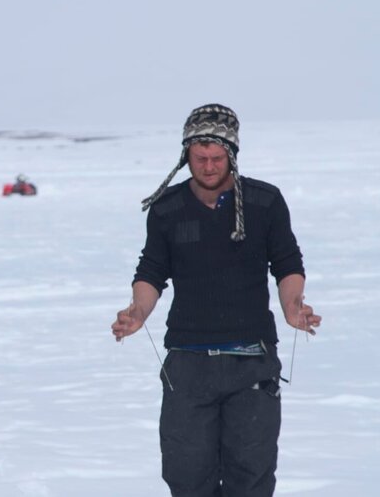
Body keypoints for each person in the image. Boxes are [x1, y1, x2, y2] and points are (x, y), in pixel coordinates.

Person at [111, 104, 321, 497]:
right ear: (185, 155)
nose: (208, 166)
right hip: (188, 366)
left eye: (216, 158)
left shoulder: (265, 202)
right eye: (199, 158)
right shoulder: (167, 209)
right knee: (187, 477)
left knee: (251, 478)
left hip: (252, 362)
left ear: (232, 154)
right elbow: (152, 271)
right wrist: (138, 311)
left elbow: (287, 262)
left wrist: (293, 305)